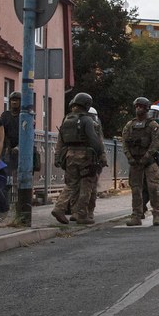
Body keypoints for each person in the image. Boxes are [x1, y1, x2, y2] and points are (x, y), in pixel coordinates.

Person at [52, 93, 104, 225]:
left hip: (69, 155)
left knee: (70, 185)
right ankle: (81, 215)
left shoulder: (67, 119)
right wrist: (100, 154)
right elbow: (93, 139)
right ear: (87, 105)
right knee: (87, 185)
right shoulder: (86, 119)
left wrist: (58, 157)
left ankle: (59, 208)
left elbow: (61, 140)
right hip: (85, 156)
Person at [122, 97, 159, 226]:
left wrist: (146, 157)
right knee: (136, 189)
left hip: (149, 162)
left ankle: (156, 213)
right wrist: (130, 157)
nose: (138, 109)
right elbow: (124, 143)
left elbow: (155, 143)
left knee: (153, 188)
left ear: (146, 109)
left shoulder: (152, 125)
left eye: (140, 106)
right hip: (135, 161)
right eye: (136, 106)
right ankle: (136, 215)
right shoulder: (130, 125)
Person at [84, 106, 107, 222]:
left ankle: (89, 211)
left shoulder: (96, 128)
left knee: (91, 188)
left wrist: (102, 158)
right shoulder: (78, 125)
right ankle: (80, 212)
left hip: (92, 160)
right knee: (79, 188)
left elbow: (99, 143)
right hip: (82, 159)